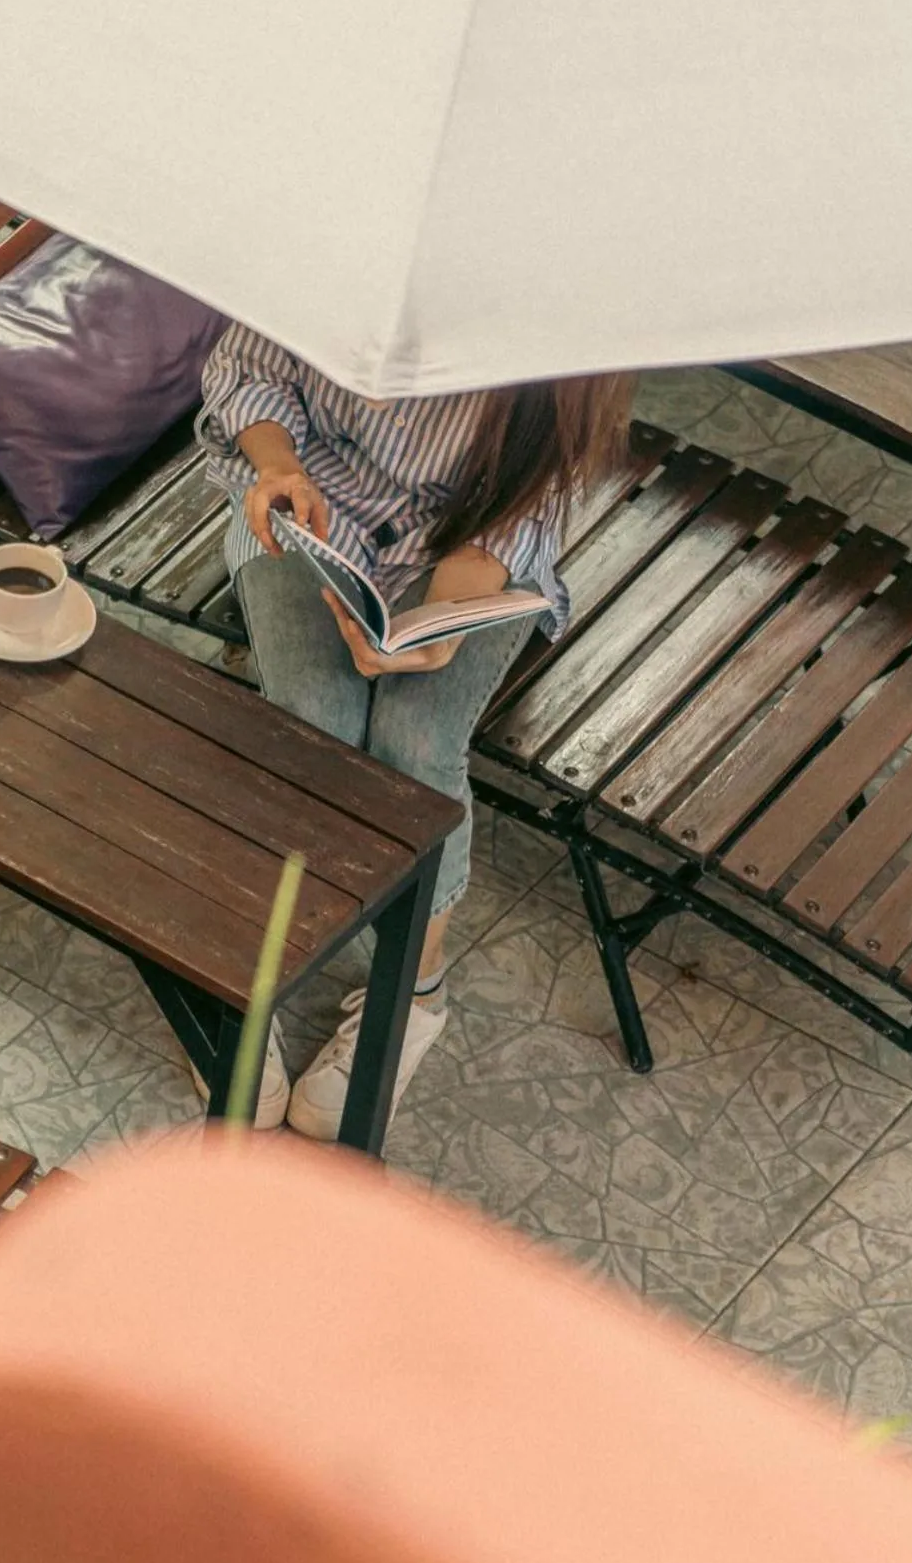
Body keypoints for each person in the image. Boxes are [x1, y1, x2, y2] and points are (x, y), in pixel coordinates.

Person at [198, 322, 634, 1137]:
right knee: (313, 727)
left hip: (469, 548)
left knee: (416, 747)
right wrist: (278, 465)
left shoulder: (568, 312)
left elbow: (525, 507)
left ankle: (414, 995)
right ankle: (247, 963)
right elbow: (248, 368)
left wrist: (441, 620)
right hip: (306, 520)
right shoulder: (353, 229)